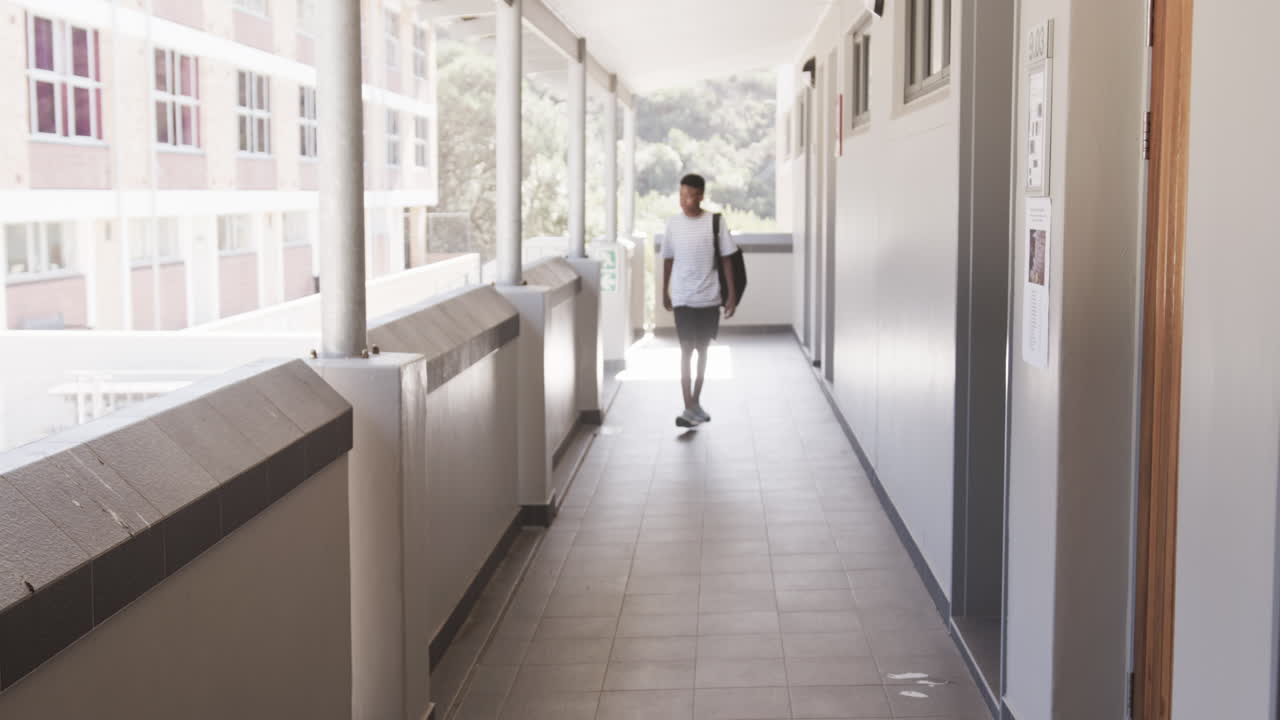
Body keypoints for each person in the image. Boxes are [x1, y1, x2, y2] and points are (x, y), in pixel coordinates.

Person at [662, 174, 738, 428]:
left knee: (702, 351)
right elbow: (668, 259)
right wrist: (664, 290)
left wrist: (732, 295)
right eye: (681, 195)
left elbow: (727, 258)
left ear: (701, 195)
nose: (685, 200)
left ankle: (695, 402)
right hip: (683, 297)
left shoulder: (715, 222)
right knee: (686, 350)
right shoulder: (673, 224)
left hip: (708, 297)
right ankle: (688, 406)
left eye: (690, 195)